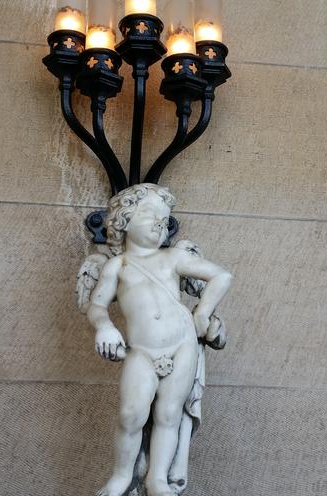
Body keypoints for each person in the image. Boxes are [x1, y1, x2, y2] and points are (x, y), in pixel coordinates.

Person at [86, 183, 232, 496]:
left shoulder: (173, 258)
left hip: (182, 346)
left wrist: (202, 314)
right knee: (131, 414)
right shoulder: (117, 266)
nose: (159, 223)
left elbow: (221, 276)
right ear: (125, 219)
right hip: (141, 351)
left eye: (165, 219)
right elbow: (97, 305)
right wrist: (105, 327)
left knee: (169, 415)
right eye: (150, 214)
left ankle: (158, 480)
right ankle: (121, 477)